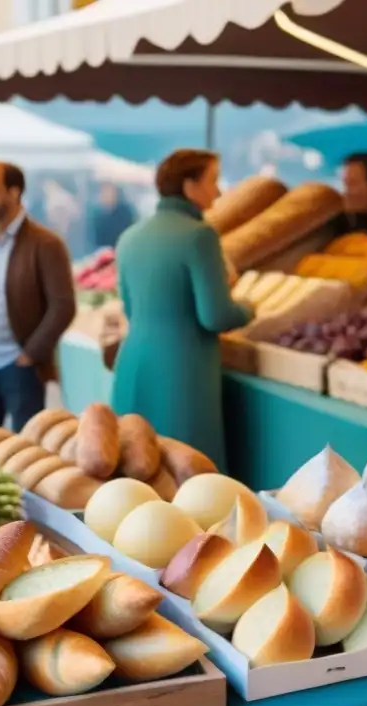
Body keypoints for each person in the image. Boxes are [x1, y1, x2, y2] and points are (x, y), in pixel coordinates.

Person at [111, 149, 252, 472]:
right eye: (213, 181)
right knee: (189, 483)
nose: (218, 191)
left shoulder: (130, 236)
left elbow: (131, 310)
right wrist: (248, 308)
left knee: (135, 475)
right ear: (189, 186)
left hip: (134, 364)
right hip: (182, 373)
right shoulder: (200, 236)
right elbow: (216, 316)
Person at [0, 162, 76, 440]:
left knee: (26, 451)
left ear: (14, 193)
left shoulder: (46, 244)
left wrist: (30, 354)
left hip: (20, 368)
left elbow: (63, 305)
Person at [92, 182, 136, 249]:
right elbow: (98, 242)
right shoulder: (98, 216)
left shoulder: (125, 212)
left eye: (109, 191)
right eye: (103, 192)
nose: (106, 195)